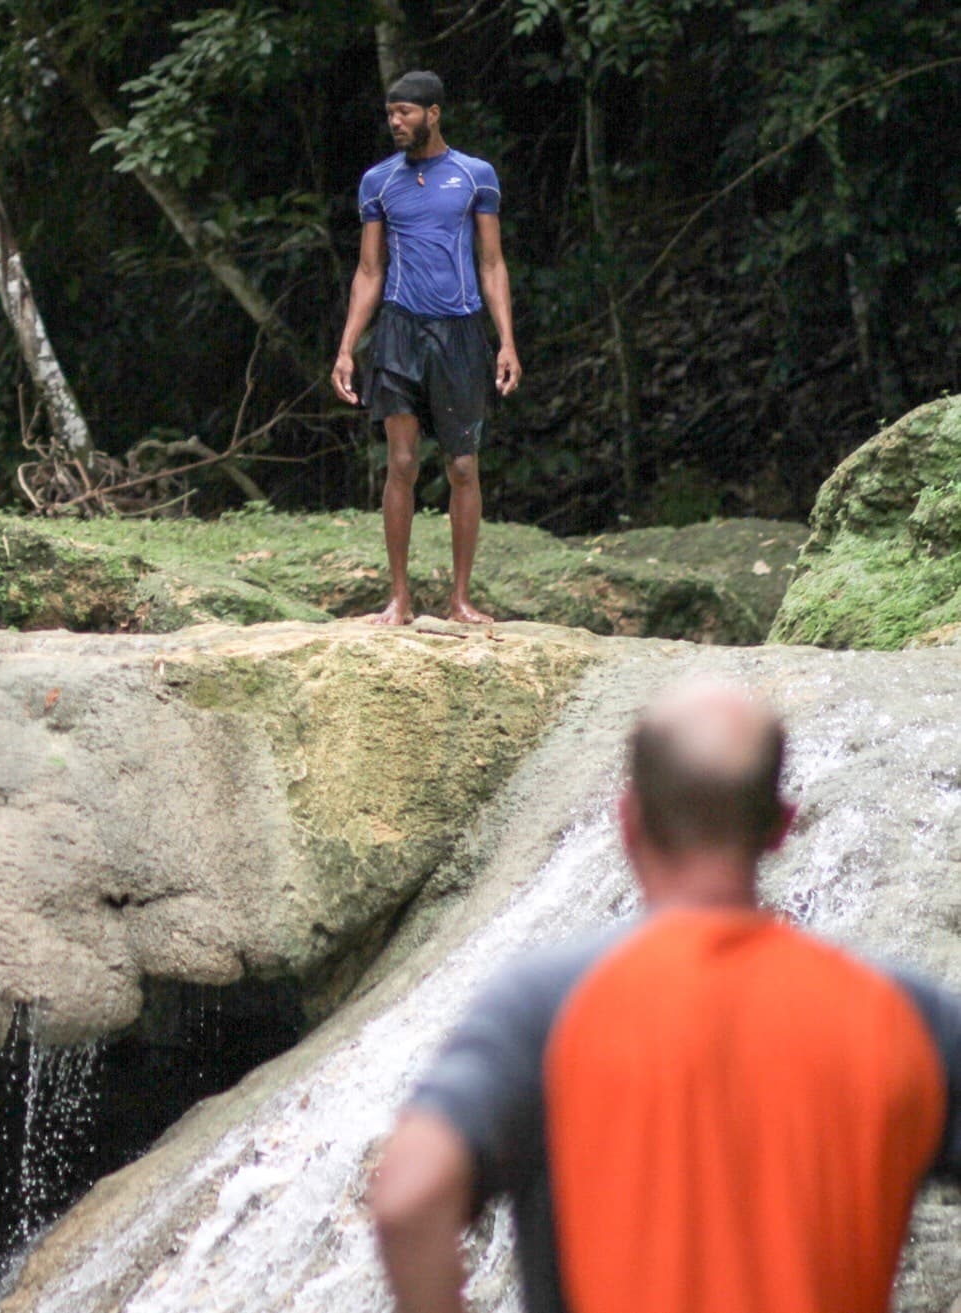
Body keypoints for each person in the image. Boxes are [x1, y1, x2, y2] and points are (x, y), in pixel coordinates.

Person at [371, 680, 961, 1313]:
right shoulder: (901, 1014)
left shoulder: (546, 1005)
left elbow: (410, 1196)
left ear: (628, 820)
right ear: (782, 826)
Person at [331, 70, 521, 627]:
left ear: (433, 114)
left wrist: (505, 341)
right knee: (402, 461)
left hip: (460, 331)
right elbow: (369, 270)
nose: (396, 122)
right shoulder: (378, 182)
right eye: (391, 113)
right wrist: (346, 348)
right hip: (398, 330)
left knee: (463, 465)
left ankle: (460, 600)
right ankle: (400, 599)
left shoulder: (474, 176)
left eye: (406, 113)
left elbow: (491, 263)